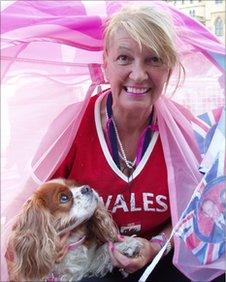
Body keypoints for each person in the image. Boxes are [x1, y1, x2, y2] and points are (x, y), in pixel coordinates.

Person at [49, 5, 224, 282]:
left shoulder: (185, 130)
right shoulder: (72, 125)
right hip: (91, 263)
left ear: (168, 67)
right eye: (124, 58)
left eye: (153, 59)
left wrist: (155, 245)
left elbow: (193, 215)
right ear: (105, 62)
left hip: (158, 260)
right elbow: (37, 207)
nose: (139, 74)